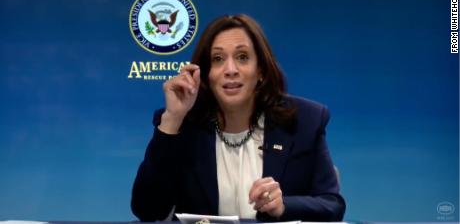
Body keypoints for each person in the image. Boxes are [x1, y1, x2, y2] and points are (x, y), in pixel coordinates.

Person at [131, 14, 346, 222]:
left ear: (260, 69)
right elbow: (147, 210)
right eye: (218, 59)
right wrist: (172, 120)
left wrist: (284, 206)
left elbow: (332, 205)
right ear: (206, 73)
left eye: (242, 57)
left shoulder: (304, 121)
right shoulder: (185, 125)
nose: (230, 70)